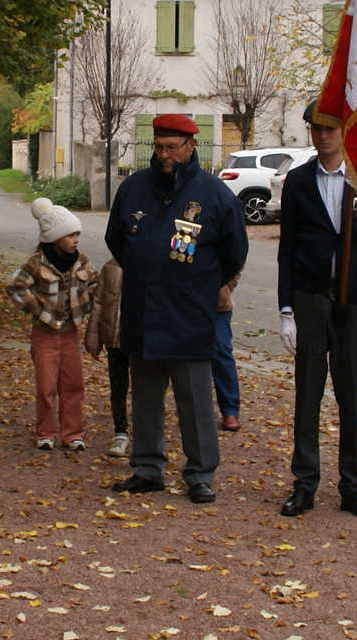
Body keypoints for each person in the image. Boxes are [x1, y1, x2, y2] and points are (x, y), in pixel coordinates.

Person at [102, 114, 249, 505]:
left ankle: (200, 474)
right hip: (143, 311)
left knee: (195, 401)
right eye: (159, 147)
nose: (165, 155)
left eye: (172, 148)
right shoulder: (133, 189)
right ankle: (148, 468)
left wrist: (200, 285)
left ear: (190, 146)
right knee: (146, 396)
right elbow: (117, 239)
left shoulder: (214, 194)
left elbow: (235, 253)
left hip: (189, 314)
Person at [275, 101, 357, 520]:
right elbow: (286, 249)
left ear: (345, 130)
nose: (323, 135)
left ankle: (353, 485)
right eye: (316, 128)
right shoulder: (299, 181)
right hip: (310, 294)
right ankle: (304, 483)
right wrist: (286, 308)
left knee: (351, 392)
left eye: (330, 127)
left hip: (353, 297)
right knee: (308, 391)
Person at [6, 198, 98, 451]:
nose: (76, 240)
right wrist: (37, 309)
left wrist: (84, 305)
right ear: (54, 238)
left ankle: (73, 434)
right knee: (46, 386)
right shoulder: (37, 263)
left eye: (77, 234)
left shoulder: (82, 262)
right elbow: (14, 284)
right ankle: (46, 432)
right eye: (70, 235)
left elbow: (94, 285)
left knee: (73, 385)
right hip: (44, 334)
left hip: (70, 335)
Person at [84, 258, 132, 457]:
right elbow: (98, 303)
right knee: (118, 386)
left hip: (141, 340)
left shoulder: (150, 261)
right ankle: (120, 432)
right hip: (115, 339)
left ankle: (146, 435)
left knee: (145, 389)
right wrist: (93, 341)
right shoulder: (110, 268)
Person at [214, 274, 243, 432]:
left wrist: (228, 283)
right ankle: (191, 408)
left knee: (221, 349)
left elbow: (238, 253)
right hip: (184, 294)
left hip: (218, 296)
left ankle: (230, 410)